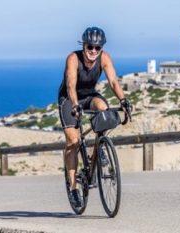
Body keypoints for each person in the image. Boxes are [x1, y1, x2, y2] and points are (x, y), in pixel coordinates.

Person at [58, 26, 131, 208]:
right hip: (69, 98)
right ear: (84, 45)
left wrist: (123, 100)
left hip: (90, 95)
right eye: (90, 46)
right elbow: (70, 85)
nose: (93, 51)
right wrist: (75, 105)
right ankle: (74, 187)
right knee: (73, 141)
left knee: (104, 109)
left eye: (97, 48)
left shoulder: (104, 58)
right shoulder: (73, 59)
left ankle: (100, 148)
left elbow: (113, 81)